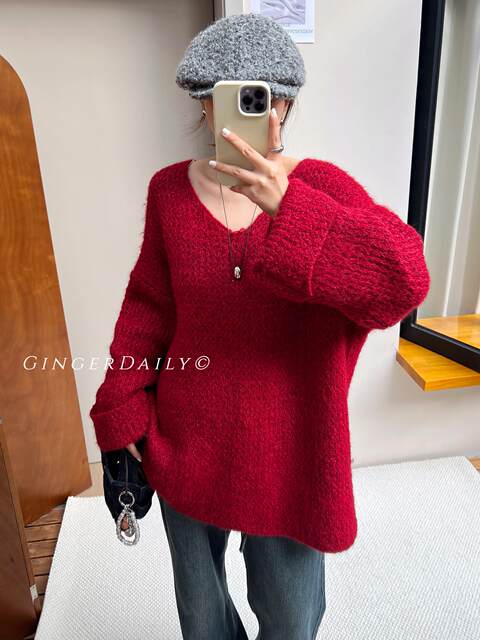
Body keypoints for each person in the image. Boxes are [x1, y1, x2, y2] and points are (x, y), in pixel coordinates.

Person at [89, 12, 431, 640]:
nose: (251, 114)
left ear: (286, 106)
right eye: (226, 99)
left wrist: (291, 207)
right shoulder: (169, 193)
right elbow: (147, 309)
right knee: (201, 616)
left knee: (291, 618)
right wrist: (121, 404)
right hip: (186, 439)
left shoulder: (321, 188)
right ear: (203, 105)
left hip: (293, 450)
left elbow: (403, 282)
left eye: (266, 99)